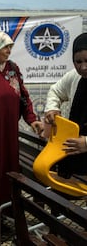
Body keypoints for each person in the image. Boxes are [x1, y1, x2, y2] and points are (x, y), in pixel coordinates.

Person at [0, 31, 43, 207]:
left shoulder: (12, 68)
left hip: (10, 134)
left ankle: (9, 210)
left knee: (10, 169)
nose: (8, 51)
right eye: (5, 47)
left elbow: (23, 96)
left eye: (10, 47)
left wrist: (32, 119)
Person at [44, 32, 87, 178]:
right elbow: (55, 91)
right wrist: (52, 108)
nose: (83, 67)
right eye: (78, 62)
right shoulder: (74, 77)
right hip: (72, 155)